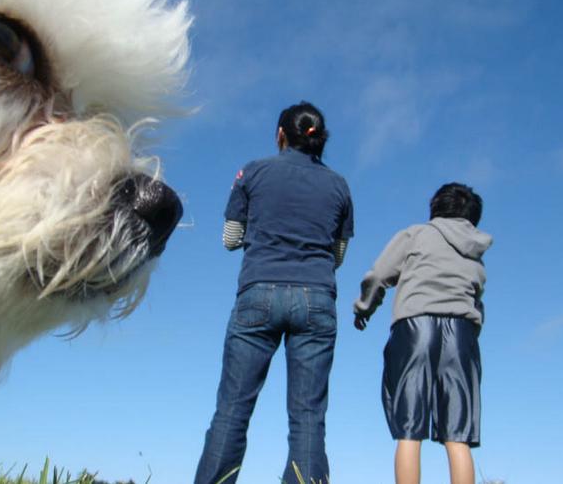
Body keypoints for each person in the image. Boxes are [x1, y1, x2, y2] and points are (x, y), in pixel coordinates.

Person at [194, 102, 354, 484]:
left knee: (232, 410)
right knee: (308, 418)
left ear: (281, 135)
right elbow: (338, 254)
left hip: (258, 294)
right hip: (316, 298)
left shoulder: (252, 172)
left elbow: (230, 240)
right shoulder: (339, 185)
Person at [353, 183, 492, 484]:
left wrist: (364, 308)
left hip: (415, 328)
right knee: (458, 435)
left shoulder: (415, 234)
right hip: (461, 333)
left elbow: (379, 275)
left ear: (436, 207)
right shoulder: (476, 251)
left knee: (409, 428)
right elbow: (477, 299)